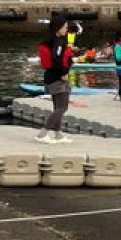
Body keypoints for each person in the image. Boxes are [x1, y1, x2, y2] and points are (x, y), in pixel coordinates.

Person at [35, 16, 76, 144]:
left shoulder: (50, 40)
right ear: (58, 28)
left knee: (58, 107)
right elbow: (57, 58)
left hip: (51, 76)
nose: (66, 29)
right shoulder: (58, 42)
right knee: (62, 107)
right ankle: (43, 133)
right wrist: (63, 73)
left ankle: (58, 134)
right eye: (64, 27)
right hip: (57, 78)